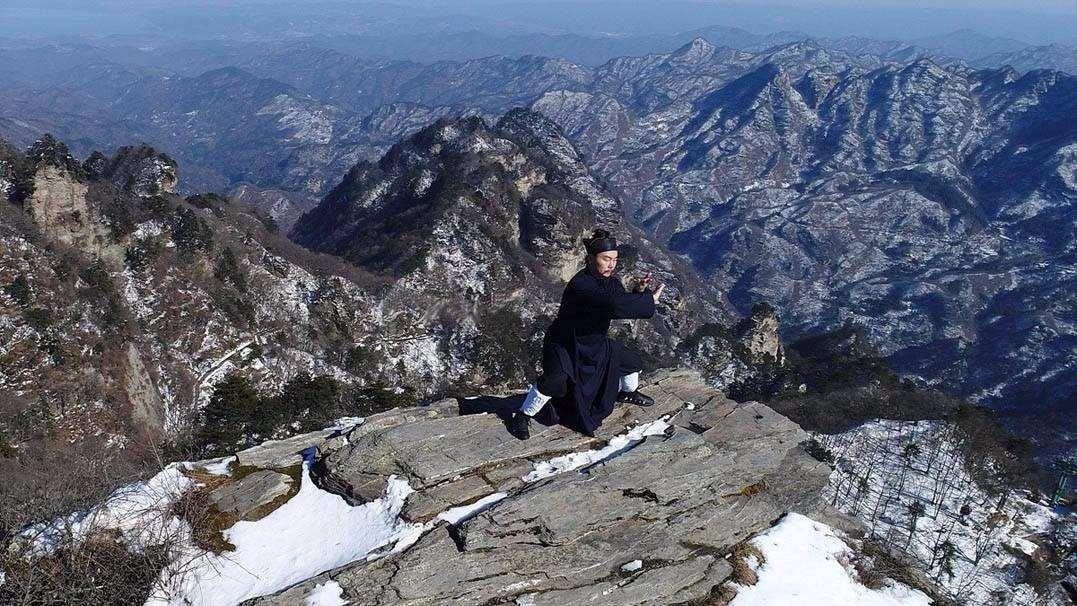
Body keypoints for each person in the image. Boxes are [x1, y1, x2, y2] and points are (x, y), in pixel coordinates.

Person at [508, 228, 665, 440]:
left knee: (632, 361)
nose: (611, 264)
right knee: (555, 381)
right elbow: (612, 304)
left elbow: (621, 303)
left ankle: (627, 393)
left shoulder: (612, 282)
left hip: (594, 344)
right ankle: (522, 415)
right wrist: (648, 300)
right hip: (565, 343)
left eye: (615, 259)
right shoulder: (581, 285)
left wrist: (638, 293)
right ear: (591, 259)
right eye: (606, 259)